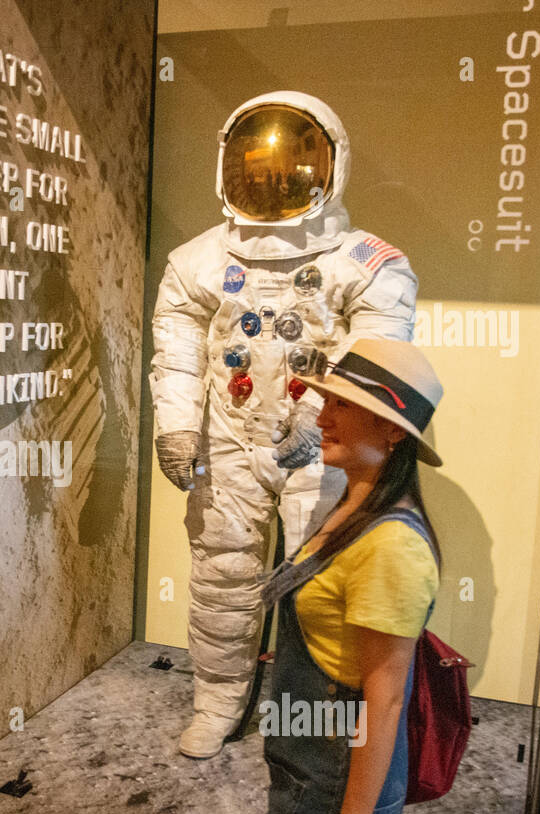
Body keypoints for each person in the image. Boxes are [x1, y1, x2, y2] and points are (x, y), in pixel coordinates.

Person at [150, 91, 418, 757]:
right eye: (255, 166)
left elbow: (376, 363)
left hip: (322, 447)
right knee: (223, 573)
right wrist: (178, 428)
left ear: (329, 166)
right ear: (228, 167)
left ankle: (312, 720)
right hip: (229, 441)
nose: (271, 181)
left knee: (320, 580)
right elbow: (176, 356)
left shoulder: (369, 265)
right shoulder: (197, 262)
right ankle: (216, 704)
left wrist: (314, 421)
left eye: (288, 166)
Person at [228, 338, 443, 814]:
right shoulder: (353, 506)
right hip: (309, 770)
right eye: (327, 401)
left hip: (330, 786)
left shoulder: (392, 544)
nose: (323, 416)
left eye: (343, 406)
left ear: (394, 431)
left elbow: (387, 695)